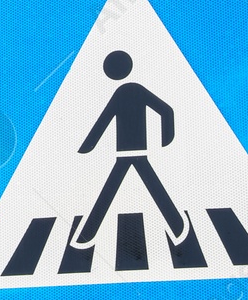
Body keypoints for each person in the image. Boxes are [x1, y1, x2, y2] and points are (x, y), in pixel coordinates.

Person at [68, 49, 188, 248]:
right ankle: (177, 227)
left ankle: (86, 235)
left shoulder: (124, 92)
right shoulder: (135, 90)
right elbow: (166, 111)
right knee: (151, 189)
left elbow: (104, 120)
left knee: (109, 192)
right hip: (137, 152)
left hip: (125, 153)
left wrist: (88, 146)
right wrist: (165, 138)